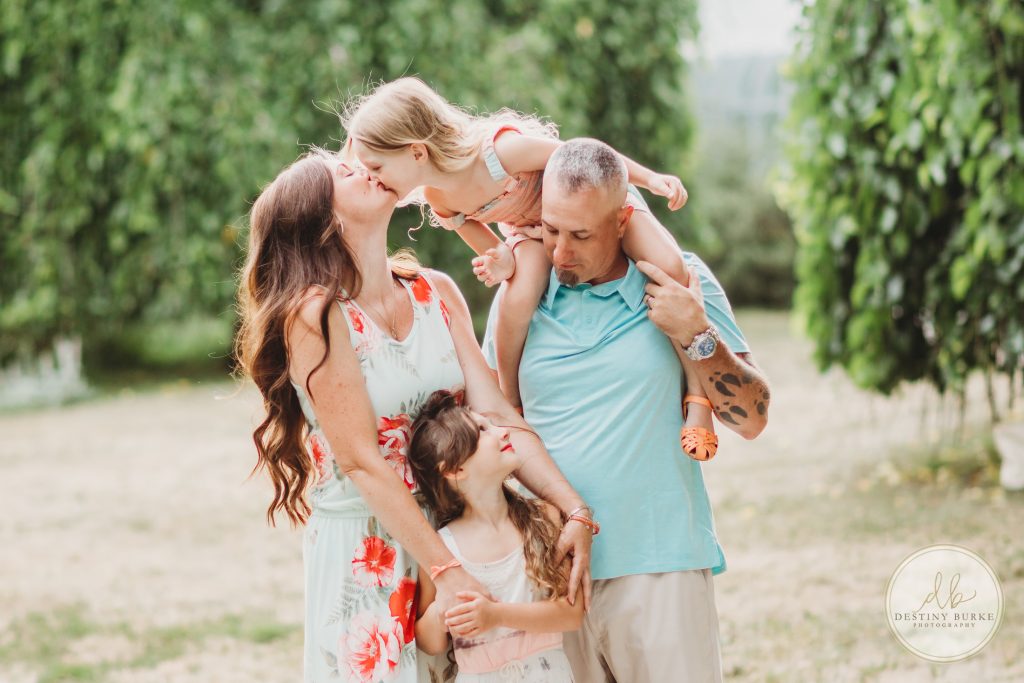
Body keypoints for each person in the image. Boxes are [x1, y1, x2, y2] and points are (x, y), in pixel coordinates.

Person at [234, 149, 593, 682]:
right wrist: (445, 570)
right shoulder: (316, 315)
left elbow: (497, 413)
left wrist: (573, 508)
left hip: (453, 524)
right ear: (325, 219)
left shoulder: (435, 291)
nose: (367, 167)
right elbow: (361, 461)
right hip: (370, 547)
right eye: (346, 173)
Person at [482, 139, 772, 682]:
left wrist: (697, 335)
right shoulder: (521, 293)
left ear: (622, 220)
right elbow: (494, 420)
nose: (561, 252)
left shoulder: (681, 281)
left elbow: (752, 420)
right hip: (548, 576)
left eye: (582, 235)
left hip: (659, 567)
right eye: (551, 229)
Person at [342, 77, 719, 462]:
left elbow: (587, 156)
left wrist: (649, 179)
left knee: (670, 265)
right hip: (530, 233)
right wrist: (502, 262)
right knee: (517, 297)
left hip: (588, 202)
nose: (372, 177)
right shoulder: (440, 199)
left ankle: (698, 397)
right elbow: (496, 251)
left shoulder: (500, 152)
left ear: (417, 153)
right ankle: (512, 401)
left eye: (376, 166)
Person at [405, 389, 583, 682]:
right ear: (455, 469)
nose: (502, 432)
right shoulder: (442, 547)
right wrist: (440, 614)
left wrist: (496, 615)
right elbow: (428, 641)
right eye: (483, 431)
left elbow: (571, 614)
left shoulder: (542, 518)